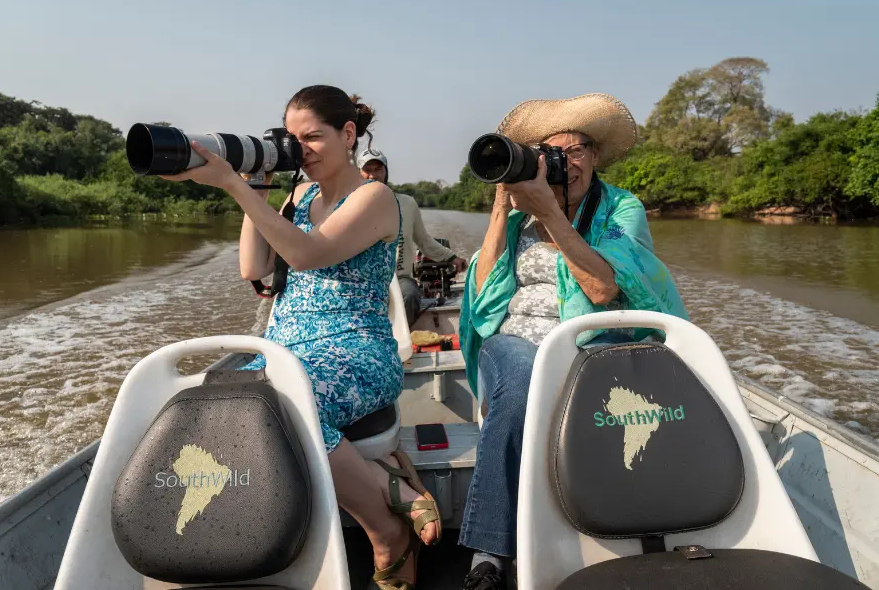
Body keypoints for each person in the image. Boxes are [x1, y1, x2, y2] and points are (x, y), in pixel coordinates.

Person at [158, 85, 438, 590]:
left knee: (288, 404)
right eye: (292, 139)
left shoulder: (375, 198)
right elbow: (254, 266)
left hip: (355, 350)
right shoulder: (299, 194)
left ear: (348, 134)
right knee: (208, 405)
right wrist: (257, 186)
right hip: (286, 349)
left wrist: (232, 187)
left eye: (313, 137)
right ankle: (369, 490)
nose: (301, 149)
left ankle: (387, 529)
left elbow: (307, 254)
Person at [457, 93, 689, 589]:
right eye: (549, 150)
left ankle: (637, 533)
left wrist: (554, 215)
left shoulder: (620, 209)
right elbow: (480, 302)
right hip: (515, 340)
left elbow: (605, 288)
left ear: (596, 155)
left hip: (595, 347)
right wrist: (504, 202)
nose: (566, 161)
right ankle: (489, 556)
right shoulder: (518, 214)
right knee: (521, 381)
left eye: (577, 149)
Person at [356, 146, 468, 325]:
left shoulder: (407, 203)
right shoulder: (348, 205)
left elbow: (423, 240)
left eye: (378, 169)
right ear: (358, 172)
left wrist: (452, 257)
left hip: (400, 277)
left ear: (386, 172)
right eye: (367, 170)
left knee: (409, 294)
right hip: (363, 278)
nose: (373, 175)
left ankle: (402, 342)